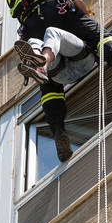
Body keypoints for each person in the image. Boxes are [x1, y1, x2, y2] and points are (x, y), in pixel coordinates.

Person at [14, 19, 99, 162]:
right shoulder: (54, 21)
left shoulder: (44, 28)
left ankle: (40, 65)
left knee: (49, 33)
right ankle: (38, 65)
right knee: (38, 39)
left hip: (74, 64)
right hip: (74, 65)